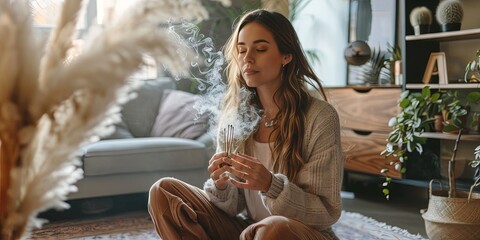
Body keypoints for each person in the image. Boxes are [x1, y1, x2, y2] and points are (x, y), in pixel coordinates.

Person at [148, 9, 343, 240]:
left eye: (260, 49)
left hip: (297, 233)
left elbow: (325, 212)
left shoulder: (319, 117)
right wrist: (221, 185)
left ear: (286, 56)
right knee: (164, 191)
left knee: (273, 229)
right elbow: (233, 207)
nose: (247, 58)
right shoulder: (236, 117)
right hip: (248, 231)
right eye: (241, 50)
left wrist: (271, 184)